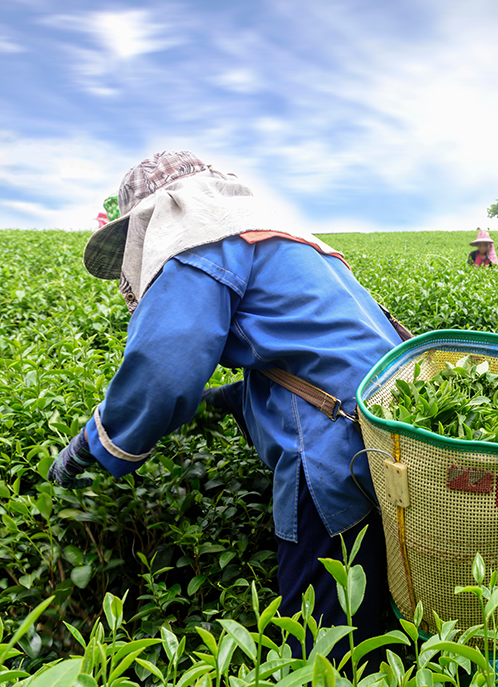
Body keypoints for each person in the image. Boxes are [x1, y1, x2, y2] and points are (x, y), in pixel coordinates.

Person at [47, 151, 401, 661]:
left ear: (157, 214)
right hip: (383, 426)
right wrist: (225, 403)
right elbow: (310, 352)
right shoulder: (277, 238)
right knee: (369, 610)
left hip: (330, 445)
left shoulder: (197, 240)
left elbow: (163, 369)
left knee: (324, 639)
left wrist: (93, 446)